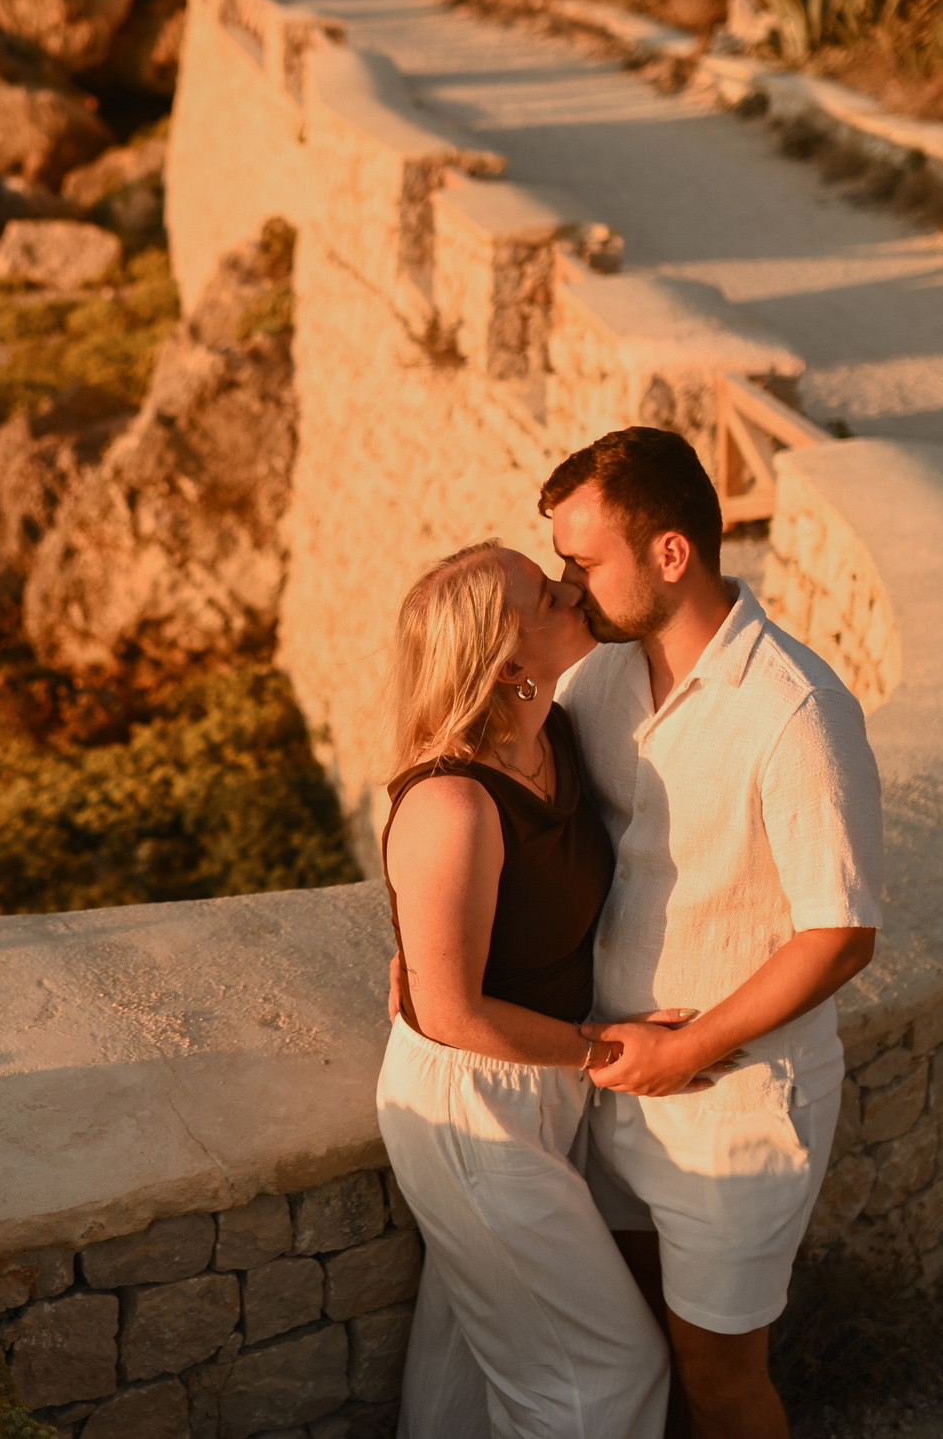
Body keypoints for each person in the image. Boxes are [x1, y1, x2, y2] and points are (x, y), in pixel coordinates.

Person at [543, 427, 884, 1439]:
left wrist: (682, 1049)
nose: (567, 588)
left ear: (671, 553)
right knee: (640, 1344)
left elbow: (840, 932)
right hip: (608, 1086)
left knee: (721, 1380)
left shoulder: (796, 710)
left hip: (732, 1104)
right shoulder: (597, 678)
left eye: (583, 562)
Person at [374, 540, 701, 1439]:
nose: (572, 591)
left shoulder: (552, 732)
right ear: (505, 657)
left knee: (473, 1359)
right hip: (473, 1106)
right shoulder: (454, 803)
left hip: (534, 1085)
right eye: (546, 594)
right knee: (607, 1372)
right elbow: (448, 1010)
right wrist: (599, 1049)